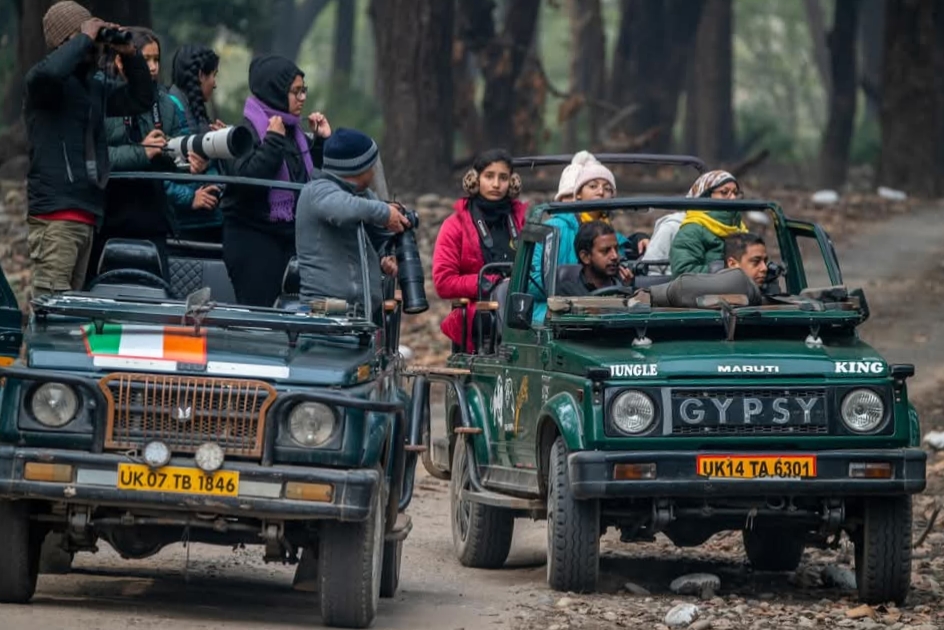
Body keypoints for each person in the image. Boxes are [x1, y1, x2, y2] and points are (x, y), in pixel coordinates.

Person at [25, 1, 153, 298]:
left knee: (72, 313)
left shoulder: (92, 87)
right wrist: (85, 36)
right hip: (56, 216)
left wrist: (130, 55)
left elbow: (141, 99)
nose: (94, 43)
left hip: (87, 214)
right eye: (86, 34)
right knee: (51, 307)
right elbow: (49, 73)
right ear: (65, 41)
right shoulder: (43, 84)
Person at [221, 54, 331, 307]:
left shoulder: (293, 131)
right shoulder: (245, 132)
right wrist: (272, 141)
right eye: (295, 91)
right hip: (253, 242)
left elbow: (306, 179)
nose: (302, 98)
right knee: (259, 318)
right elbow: (248, 181)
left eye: (304, 90)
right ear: (275, 91)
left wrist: (321, 142)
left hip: (290, 240)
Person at [88, 27, 188, 283]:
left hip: (153, 218)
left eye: (157, 59)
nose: (153, 67)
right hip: (108, 218)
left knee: (157, 290)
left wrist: (186, 157)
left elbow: (175, 156)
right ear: (121, 61)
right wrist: (142, 151)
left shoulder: (165, 104)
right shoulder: (102, 97)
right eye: (146, 59)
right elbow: (95, 157)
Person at [295, 128, 409, 313]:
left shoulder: (362, 196)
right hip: (323, 311)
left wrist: (386, 257)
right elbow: (344, 209)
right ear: (358, 168)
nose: (374, 171)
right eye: (371, 165)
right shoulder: (316, 191)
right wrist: (384, 212)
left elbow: (377, 235)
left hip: (358, 313)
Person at [433, 149, 527, 351]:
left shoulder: (522, 222)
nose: (496, 184)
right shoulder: (455, 225)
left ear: (512, 182)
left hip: (521, 306)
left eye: (503, 178)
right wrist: (491, 282)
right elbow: (443, 282)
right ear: (474, 180)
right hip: (477, 311)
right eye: (489, 176)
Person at [166, 44, 225, 240]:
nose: (215, 84)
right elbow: (156, 169)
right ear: (201, 75)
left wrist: (218, 143)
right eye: (213, 75)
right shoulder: (170, 110)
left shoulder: (196, 112)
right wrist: (190, 198)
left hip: (207, 220)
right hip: (185, 226)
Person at [669, 170, 747, 276]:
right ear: (706, 196)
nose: (733, 198)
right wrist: (722, 270)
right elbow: (682, 271)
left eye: (735, 193)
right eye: (724, 192)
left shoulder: (740, 227)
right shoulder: (692, 230)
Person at [556, 221, 632, 296]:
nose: (615, 256)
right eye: (605, 251)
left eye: (616, 249)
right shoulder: (568, 293)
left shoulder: (624, 285)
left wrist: (628, 290)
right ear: (585, 257)